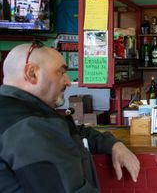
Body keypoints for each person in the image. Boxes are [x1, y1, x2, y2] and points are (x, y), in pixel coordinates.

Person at [0, 42, 140, 192]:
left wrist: (113, 144)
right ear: (32, 73)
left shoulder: (18, 112)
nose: (68, 81)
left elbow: (74, 131)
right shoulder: (30, 125)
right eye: (61, 72)